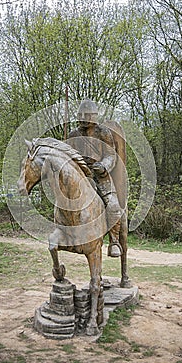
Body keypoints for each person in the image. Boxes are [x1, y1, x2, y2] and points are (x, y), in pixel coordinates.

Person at [67, 99, 122, 257]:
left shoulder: (103, 132)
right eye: (81, 115)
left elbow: (111, 155)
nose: (83, 118)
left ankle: (114, 240)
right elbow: (69, 156)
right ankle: (68, 234)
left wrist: (104, 165)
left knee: (113, 205)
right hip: (81, 176)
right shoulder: (73, 134)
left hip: (100, 176)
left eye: (87, 115)